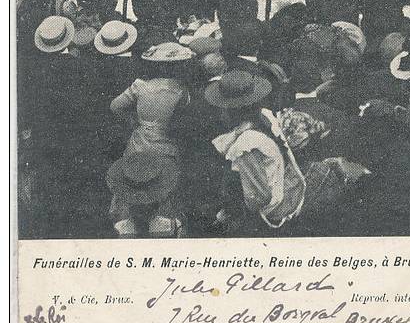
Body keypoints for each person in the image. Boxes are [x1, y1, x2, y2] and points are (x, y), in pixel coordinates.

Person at [109, 42, 196, 237]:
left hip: (138, 142)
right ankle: (163, 225)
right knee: (167, 188)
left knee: (130, 185)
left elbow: (115, 106)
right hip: (166, 145)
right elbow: (181, 121)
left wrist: (133, 122)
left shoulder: (140, 86)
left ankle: (126, 226)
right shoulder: (182, 90)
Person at [205, 70, 306, 231]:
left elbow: (259, 198)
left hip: (272, 207)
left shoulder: (248, 144)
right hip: (282, 180)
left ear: (230, 110)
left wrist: (230, 211)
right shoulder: (263, 115)